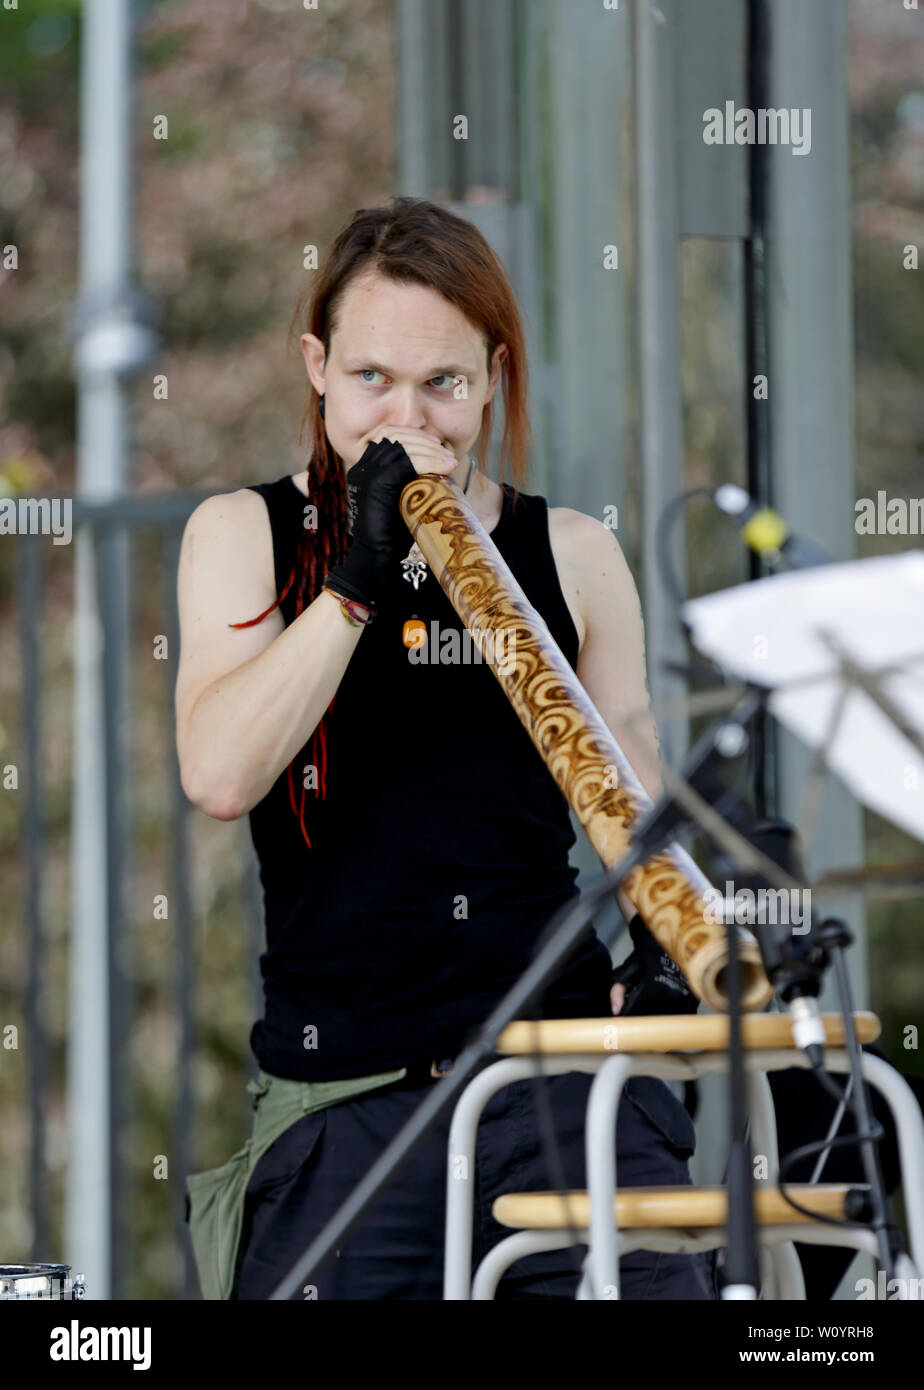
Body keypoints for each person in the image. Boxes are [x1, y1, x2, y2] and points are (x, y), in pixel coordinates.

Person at [176, 195, 715, 1301]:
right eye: (372, 377)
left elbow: (635, 786)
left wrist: (675, 943)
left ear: (492, 378)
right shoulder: (244, 533)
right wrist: (357, 578)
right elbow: (222, 775)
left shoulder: (571, 550)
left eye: (444, 384)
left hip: (556, 1068)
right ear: (317, 365)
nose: (405, 414)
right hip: (341, 1086)